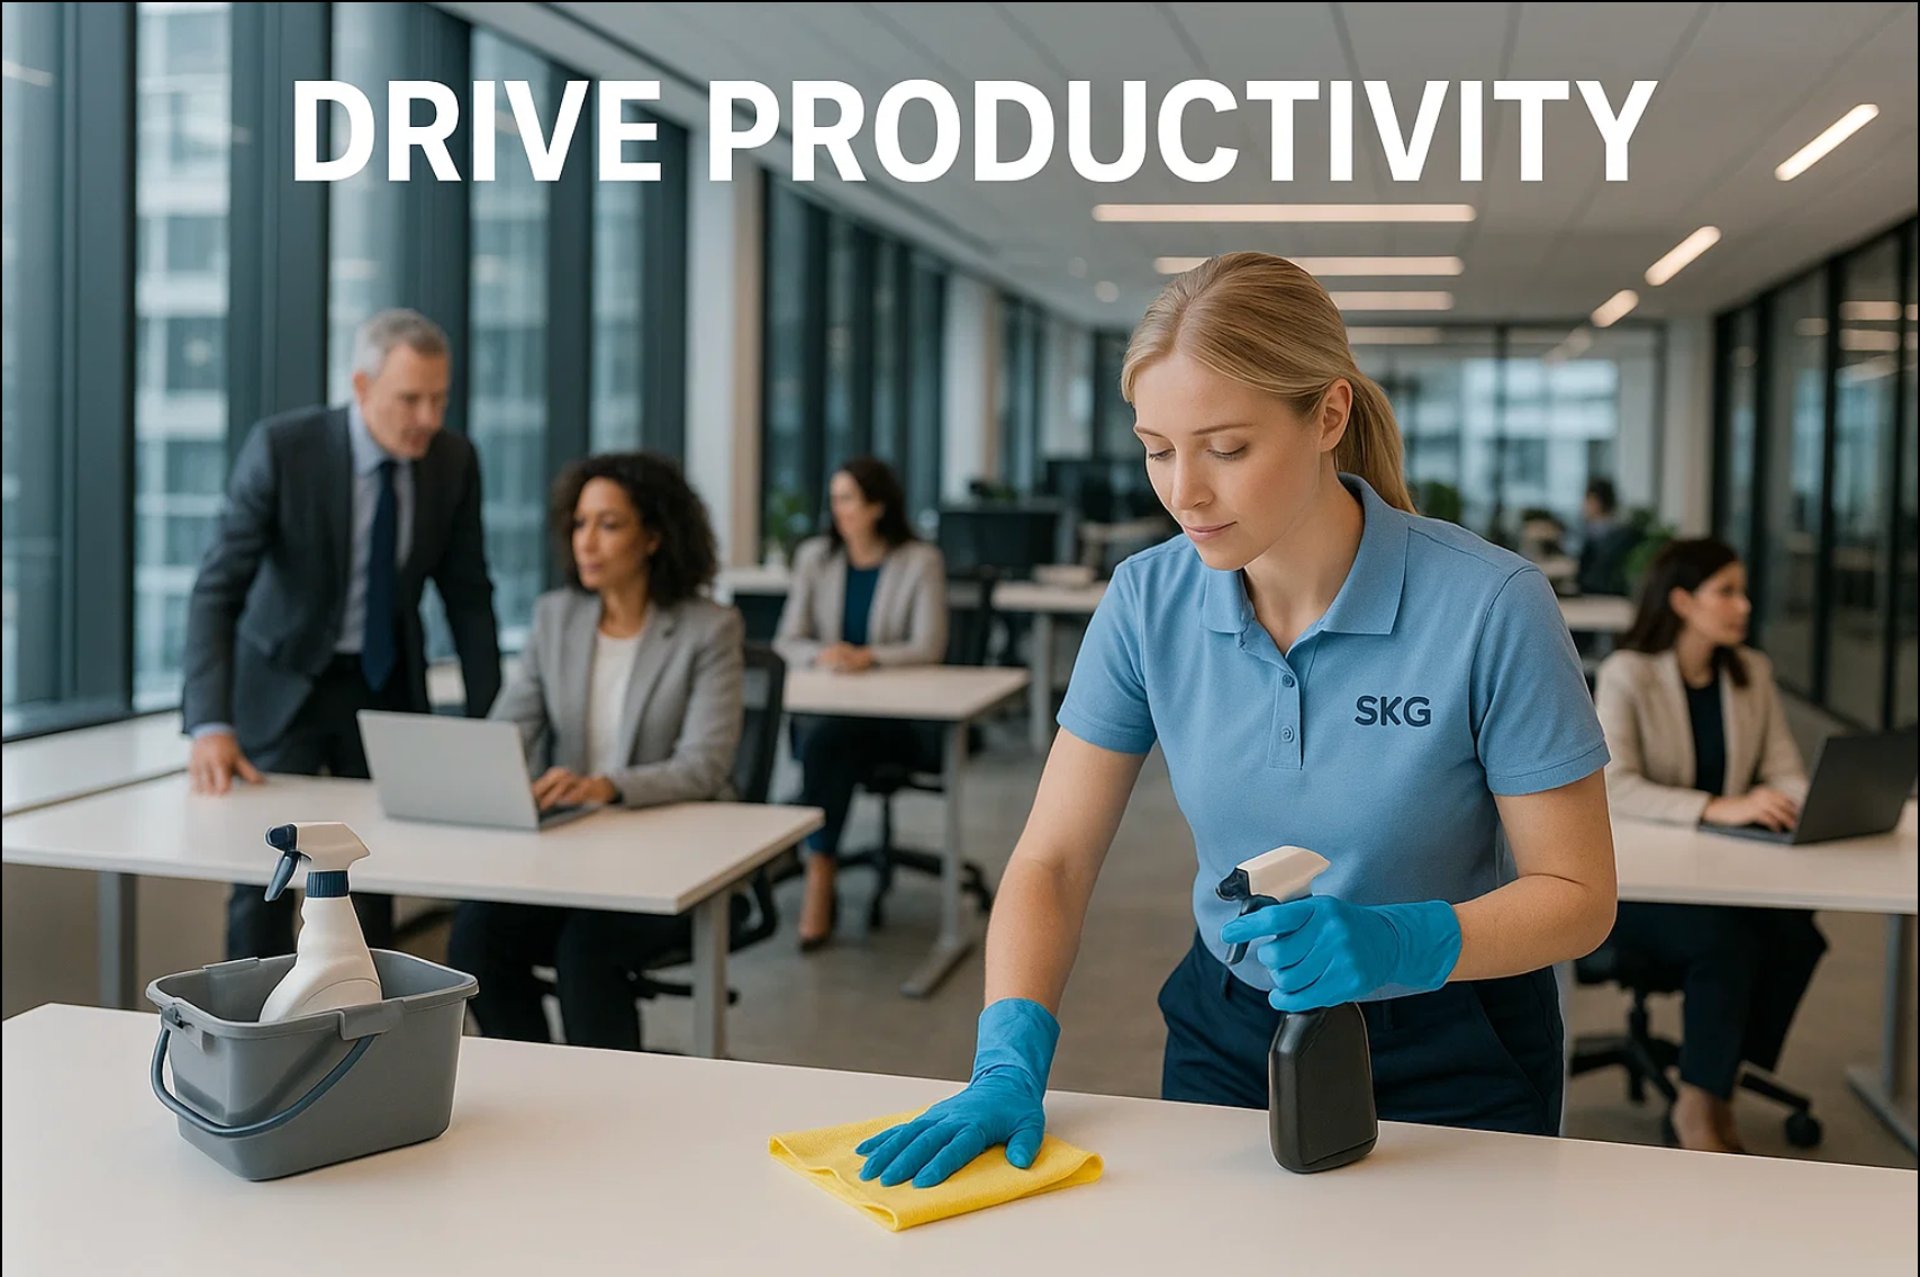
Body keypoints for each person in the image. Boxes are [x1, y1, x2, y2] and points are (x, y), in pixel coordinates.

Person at [853, 252, 1618, 1192]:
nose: (1183, 491)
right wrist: (1006, 1054)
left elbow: (1578, 892)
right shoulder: (1146, 600)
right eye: (1156, 447)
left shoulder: (1491, 604)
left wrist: (1403, 940)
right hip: (1232, 1022)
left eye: (1226, 447)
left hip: (1454, 1031)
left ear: (1328, 415)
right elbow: (1052, 860)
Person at [181, 309, 501, 960]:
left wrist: (490, 725)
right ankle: (255, 1032)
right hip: (284, 682)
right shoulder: (282, 449)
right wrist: (209, 722)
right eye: (410, 399)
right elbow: (217, 589)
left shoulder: (453, 461)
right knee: (263, 877)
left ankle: (369, 1029)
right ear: (361, 387)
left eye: (440, 398)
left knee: (377, 870)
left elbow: (468, 598)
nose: (428, 418)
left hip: (384, 683)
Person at [448, 452, 744, 1051]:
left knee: (586, 954)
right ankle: (538, 1089)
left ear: (654, 536)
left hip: (673, 856)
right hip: (573, 852)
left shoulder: (708, 628)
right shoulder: (556, 618)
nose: (587, 541)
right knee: (476, 941)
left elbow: (705, 764)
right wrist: (497, 775)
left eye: (609, 525)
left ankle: (612, 1113)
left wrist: (607, 785)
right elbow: (511, 725)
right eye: (580, 524)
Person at [1593, 537, 1825, 1153]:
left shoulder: (1750, 673)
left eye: (1741, 591)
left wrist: (1789, 799)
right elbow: (1614, 784)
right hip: (1638, 885)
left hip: (1727, 871)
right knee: (1727, 944)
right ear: (1681, 601)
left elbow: (1785, 770)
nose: (1742, 605)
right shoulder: (1629, 675)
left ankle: (1713, 1084)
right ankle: (1699, 1108)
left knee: (1798, 933)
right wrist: (1719, 807)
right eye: (1726, 591)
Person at [773, 457, 948, 951]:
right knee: (827, 737)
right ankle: (814, 861)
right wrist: (825, 655)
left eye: (848, 498)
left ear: (877, 506)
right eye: (835, 498)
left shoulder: (919, 561)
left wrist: (867, 657)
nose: (838, 509)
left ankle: (817, 873)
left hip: (900, 724)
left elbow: (928, 646)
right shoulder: (816, 558)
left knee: (826, 741)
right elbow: (789, 640)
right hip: (833, 711)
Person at [1577, 478, 1636, 597]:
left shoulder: (1602, 534)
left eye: (1587, 500)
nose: (1583, 506)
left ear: (1597, 502)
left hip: (1598, 594)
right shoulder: (1619, 530)